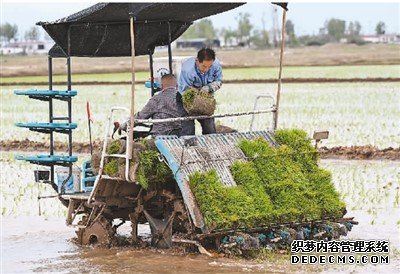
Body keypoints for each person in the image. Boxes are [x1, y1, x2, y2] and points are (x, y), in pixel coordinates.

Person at [177, 48, 223, 135]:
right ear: (197, 61)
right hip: (185, 99)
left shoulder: (216, 65)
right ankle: (188, 147)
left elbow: (219, 81)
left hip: (205, 97)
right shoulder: (187, 70)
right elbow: (185, 92)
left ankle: (210, 145)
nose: (206, 70)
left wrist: (208, 88)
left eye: (209, 67)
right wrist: (197, 95)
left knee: (209, 128)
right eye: (204, 66)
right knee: (188, 129)